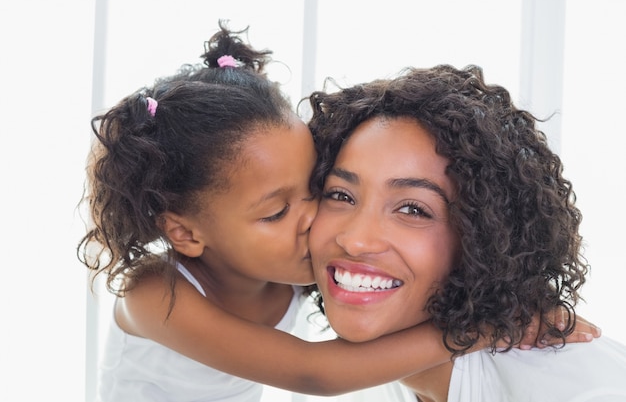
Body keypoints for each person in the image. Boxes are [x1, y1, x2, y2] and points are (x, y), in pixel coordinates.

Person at [78, 22, 599, 402]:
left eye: (318, 189)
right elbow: (315, 374)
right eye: (276, 212)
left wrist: (517, 299)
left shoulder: (285, 266)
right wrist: (489, 327)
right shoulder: (154, 294)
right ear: (186, 234)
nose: (320, 223)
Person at [307, 63, 626, 401]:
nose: (356, 241)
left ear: (484, 241)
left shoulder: (579, 392)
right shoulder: (391, 369)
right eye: (340, 195)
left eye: (413, 209)